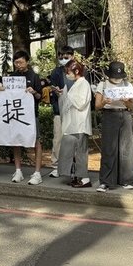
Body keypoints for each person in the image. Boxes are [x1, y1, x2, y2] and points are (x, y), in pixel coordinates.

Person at [0, 50, 45, 184]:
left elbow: (40, 97)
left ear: (27, 62)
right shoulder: (11, 77)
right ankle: (18, 170)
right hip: (15, 113)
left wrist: (33, 92)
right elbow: (6, 95)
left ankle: (37, 173)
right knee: (16, 141)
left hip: (31, 114)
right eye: (16, 62)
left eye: (21, 62)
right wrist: (1, 89)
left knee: (36, 141)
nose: (18, 65)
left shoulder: (34, 76)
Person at [94, 61, 133, 192]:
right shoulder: (103, 85)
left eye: (119, 77)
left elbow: (132, 106)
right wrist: (104, 102)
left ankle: (127, 180)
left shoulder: (127, 85)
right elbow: (97, 106)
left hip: (124, 115)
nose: (117, 79)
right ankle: (106, 181)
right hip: (109, 114)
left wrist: (126, 101)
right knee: (109, 148)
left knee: (126, 148)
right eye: (114, 76)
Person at [55, 59, 93, 187]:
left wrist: (67, 95)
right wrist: (63, 94)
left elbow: (81, 103)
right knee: (73, 152)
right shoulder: (77, 83)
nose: (68, 75)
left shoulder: (84, 84)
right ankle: (77, 176)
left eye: (69, 72)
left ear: (77, 71)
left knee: (80, 152)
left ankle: (84, 178)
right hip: (74, 124)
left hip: (80, 124)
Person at [48, 47, 75, 177]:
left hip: (75, 111)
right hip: (59, 110)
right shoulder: (56, 72)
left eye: (66, 57)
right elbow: (52, 88)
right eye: (61, 57)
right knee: (58, 139)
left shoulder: (80, 70)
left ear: (72, 56)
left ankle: (73, 166)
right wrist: (55, 91)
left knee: (74, 140)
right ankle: (56, 166)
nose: (64, 59)